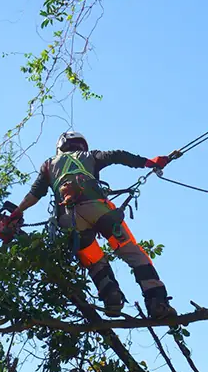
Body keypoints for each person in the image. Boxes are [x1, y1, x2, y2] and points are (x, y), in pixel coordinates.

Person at [9, 131, 177, 319]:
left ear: (60, 146)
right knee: (133, 252)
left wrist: (17, 212)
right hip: (99, 210)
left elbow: (34, 195)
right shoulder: (89, 156)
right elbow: (117, 155)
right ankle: (157, 303)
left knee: (94, 259)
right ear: (81, 145)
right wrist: (149, 162)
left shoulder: (48, 165)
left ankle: (111, 297)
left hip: (69, 219)